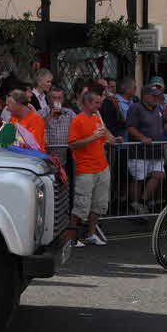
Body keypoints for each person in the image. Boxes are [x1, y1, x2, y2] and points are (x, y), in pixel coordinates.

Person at [68, 89, 120, 247]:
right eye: (97, 103)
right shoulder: (77, 120)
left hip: (102, 167)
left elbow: (103, 138)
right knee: (81, 205)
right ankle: (72, 238)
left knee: (99, 204)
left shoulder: (97, 118)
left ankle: (91, 234)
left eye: (100, 103)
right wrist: (92, 138)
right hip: (85, 169)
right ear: (87, 102)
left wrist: (113, 140)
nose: (99, 106)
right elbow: (72, 144)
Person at [126, 85, 167, 215]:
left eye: (157, 95)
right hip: (139, 152)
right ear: (145, 96)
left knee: (159, 175)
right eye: (153, 95)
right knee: (139, 179)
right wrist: (142, 137)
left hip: (157, 151)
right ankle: (135, 204)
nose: (156, 98)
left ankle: (142, 201)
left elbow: (166, 124)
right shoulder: (135, 108)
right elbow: (130, 127)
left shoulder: (159, 108)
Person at [44, 86, 76, 165]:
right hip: (45, 158)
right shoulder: (41, 113)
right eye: (54, 98)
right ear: (49, 99)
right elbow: (38, 127)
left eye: (59, 98)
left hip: (66, 157)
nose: (57, 100)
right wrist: (50, 115)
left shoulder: (70, 113)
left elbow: (79, 127)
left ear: (63, 99)